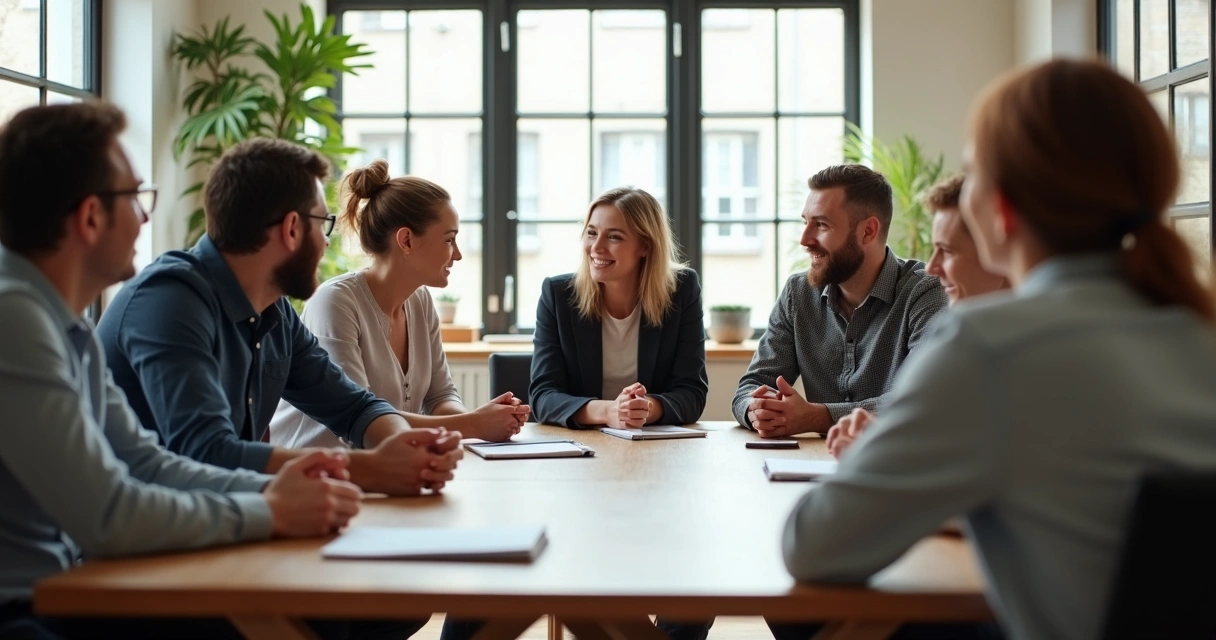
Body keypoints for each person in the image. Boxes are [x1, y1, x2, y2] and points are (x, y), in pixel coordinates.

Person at [784, 58, 1216, 640]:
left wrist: (878, 450)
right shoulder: (1194, 328)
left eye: (973, 170)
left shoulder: (990, 348)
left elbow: (811, 546)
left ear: (1002, 207)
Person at [0, 102, 362, 640]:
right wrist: (271, 512)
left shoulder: (64, 323)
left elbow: (145, 462)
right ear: (91, 216)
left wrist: (271, 494)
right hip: (28, 614)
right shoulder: (15, 318)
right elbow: (108, 515)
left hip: (73, 588)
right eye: (136, 197)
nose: (146, 217)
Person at [96, 138, 461, 502]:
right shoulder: (170, 300)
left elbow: (354, 407)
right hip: (134, 540)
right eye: (324, 224)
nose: (327, 242)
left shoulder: (274, 310)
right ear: (291, 229)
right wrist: (372, 469)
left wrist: (405, 445)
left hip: (213, 520)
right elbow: (205, 453)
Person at [270, 160, 529, 448]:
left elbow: (440, 397)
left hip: (378, 471)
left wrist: (485, 419)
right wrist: (473, 424)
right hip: (312, 475)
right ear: (406, 240)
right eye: (449, 240)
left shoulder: (420, 301)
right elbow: (357, 419)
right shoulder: (335, 301)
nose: (457, 255)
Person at [733, 165, 948, 441]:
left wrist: (816, 416)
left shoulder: (926, 291)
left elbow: (924, 400)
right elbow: (751, 386)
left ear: (868, 231)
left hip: (899, 467)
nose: (805, 239)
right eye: (805, 222)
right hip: (815, 463)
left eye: (821, 224)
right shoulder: (798, 293)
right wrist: (758, 409)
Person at [825, 174, 1009, 458]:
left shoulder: (1037, 351)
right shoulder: (970, 340)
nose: (932, 268)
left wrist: (884, 455)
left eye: (946, 251)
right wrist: (886, 437)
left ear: (999, 249)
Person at [530, 186, 708, 430]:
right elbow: (543, 397)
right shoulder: (558, 294)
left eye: (614, 237)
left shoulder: (682, 290)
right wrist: (609, 411)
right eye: (591, 233)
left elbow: (692, 393)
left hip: (652, 448)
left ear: (645, 246)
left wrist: (644, 409)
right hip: (581, 447)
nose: (596, 247)